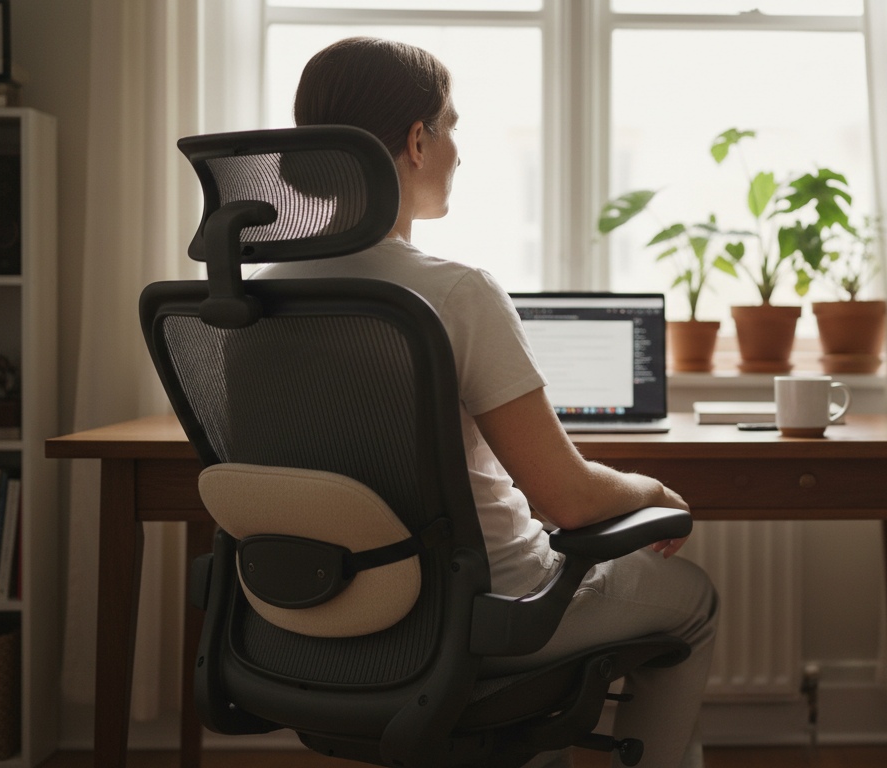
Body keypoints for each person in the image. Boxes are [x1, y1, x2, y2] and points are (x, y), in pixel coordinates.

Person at [255, 37, 717, 768]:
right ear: (417, 141)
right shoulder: (454, 291)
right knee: (693, 599)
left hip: (318, 608)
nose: (459, 152)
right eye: (452, 127)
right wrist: (649, 489)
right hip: (484, 609)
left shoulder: (257, 294)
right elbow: (568, 499)